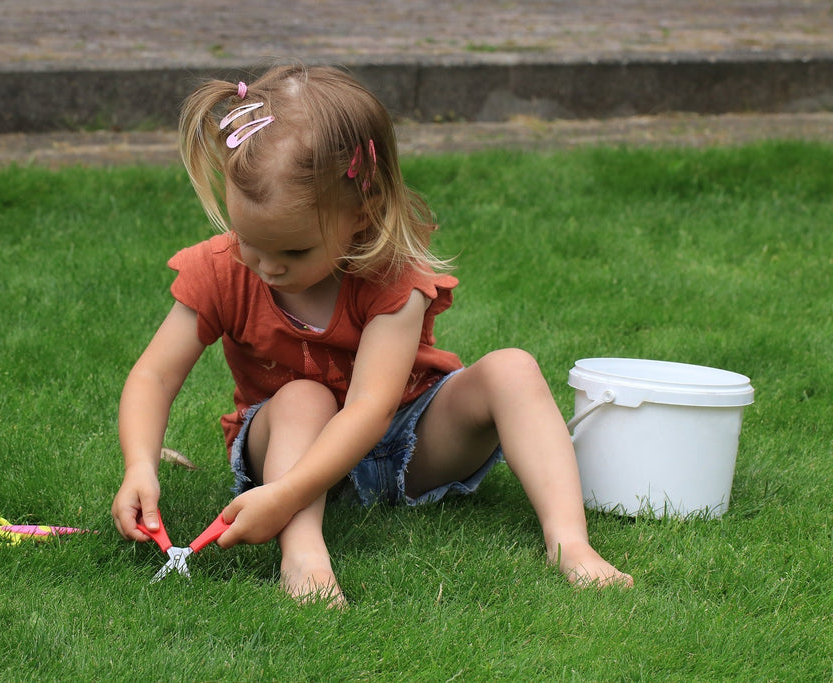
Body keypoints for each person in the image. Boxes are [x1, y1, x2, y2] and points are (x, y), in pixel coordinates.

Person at [111, 64, 632, 605]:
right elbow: (154, 376)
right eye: (247, 239)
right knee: (304, 396)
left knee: (513, 368)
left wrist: (282, 497)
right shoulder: (221, 270)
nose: (267, 266)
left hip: (404, 443)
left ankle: (570, 543)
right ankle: (304, 555)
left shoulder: (392, 278)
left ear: (363, 215)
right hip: (289, 449)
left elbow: (370, 409)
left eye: (294, 251)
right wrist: (140, 465)